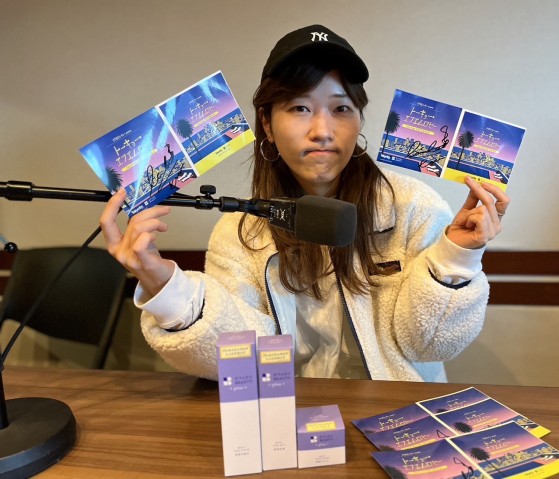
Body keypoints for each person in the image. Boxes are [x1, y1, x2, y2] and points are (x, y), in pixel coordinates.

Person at [100, 25, 509, 382]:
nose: (323, 130)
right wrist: (164, 285)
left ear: (360, 120)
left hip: (395, 414)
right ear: (267, 124)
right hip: (288, 417)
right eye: (299, 108)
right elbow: (237, 358)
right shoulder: (239, 233)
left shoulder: (413, 206)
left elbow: (430, 345)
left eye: (341, 108)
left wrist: (457, 257)